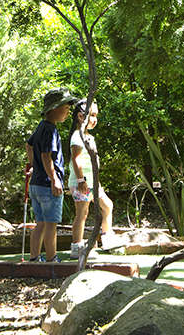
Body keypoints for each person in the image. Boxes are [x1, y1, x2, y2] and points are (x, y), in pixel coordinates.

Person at [25, 88, 78, 262]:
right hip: (48, 185)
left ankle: (34, 258)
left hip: (36, 184)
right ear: (54, 108)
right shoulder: (51, 130)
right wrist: (54, 179)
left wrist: (34, 167)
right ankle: (51, 259)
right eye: (66, 108)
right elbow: (46, 156)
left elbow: (29, 145)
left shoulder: (41, 127)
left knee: (40, 223)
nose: (68, 111)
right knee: (51, 225)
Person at [67, 98, 121, 257]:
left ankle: (107, 237)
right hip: (82, 183)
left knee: (107, 206)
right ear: (80, 117)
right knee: (82, 213)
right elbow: (76, 159)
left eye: (96, 115)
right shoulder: (78, 136)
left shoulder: (89, 136)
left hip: (93, 183)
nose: (95, 119)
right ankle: (77, 246)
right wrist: (80, 180)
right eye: (91, 115)